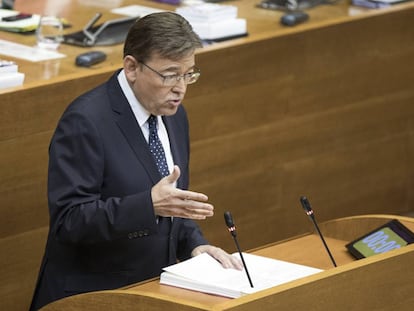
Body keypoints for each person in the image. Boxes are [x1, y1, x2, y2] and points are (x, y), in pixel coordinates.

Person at [30, 12, 242, 311]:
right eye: (169, 75)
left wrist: (195, 244)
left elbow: (171, 205)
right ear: (131, 67)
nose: (181, 87)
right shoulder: (85, 121)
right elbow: (69, 221)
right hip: (91, 297)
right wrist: (147, 205)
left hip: (150, 292)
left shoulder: (174, 115)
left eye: (188, 74)